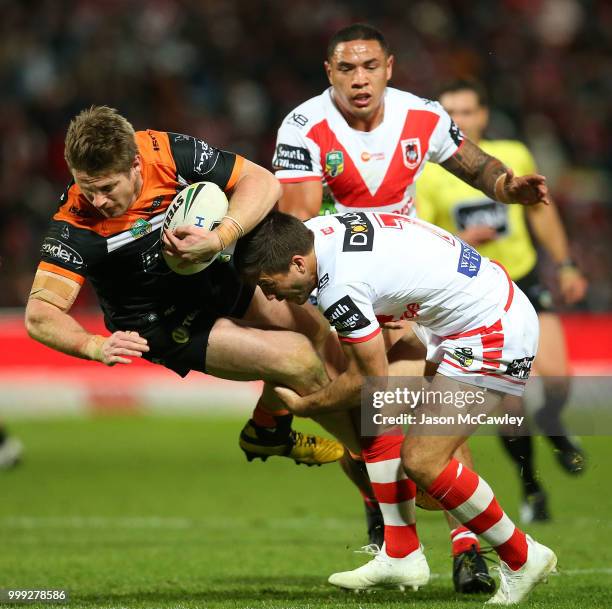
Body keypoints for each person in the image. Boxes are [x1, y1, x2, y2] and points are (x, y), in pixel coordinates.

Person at [262, 22, 551, 593]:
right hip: (354, 273)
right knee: (375, 430)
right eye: (347, 69)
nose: (360, 79)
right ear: (330, 73)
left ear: (389, 67)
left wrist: (508, 189)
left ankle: (467, 549)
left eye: (370, 66)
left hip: (405, 282)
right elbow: (295, 230)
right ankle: (401, 544)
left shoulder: (420, 116)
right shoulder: (304, 127)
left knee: (422, 433)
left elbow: (477, 166)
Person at [24, 105, 369, 487]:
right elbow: (39, 314)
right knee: (299, 360)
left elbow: (263, 182)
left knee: (317, 329)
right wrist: (92, 345)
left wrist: (221, 237)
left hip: (212, 275)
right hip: (164, 323)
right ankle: (373, 463)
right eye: (87, 188)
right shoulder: (76, 225)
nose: (98, 201)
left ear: (135, 165)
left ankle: (268, 431)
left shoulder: (165, 153)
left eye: (107, 188)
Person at [234, 210, 558, 605]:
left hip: (492, 330)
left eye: (270, 284)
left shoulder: (340, 285)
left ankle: (523, 557)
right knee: (380, 413)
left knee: (423, 461)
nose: (270, 296)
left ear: (298, 262)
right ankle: (401, 553)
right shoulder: (315, 233)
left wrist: (306, 405)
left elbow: (367, 379)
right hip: (466, 310)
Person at [417, 80, 588, 523]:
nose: (460, 121)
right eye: (450, 114)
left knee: (558, 380)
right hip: (477, 298)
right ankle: (532, 486)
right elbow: (420, 237)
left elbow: (541, 209)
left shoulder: (512, 155)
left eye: (468, 111)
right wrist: (461, 239)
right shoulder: (430, 173)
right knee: (510, 405)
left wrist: (565, 263)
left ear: (484, 115)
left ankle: (552, 421)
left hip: (525, 279)